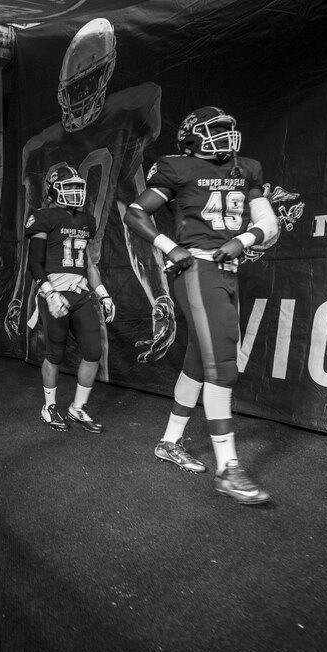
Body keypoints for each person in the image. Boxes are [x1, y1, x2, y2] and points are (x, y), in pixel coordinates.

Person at [123, 105, 279, 504]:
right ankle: (229, 468)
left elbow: (269, 225)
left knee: (198, 362)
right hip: (196, 270)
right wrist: (170, 247)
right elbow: (137, 213)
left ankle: (170, 442)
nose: (226, 135)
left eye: (229, 127)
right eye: (216, 129)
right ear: (191, 137)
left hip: (227, 271)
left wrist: (241, 241)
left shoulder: (247, 169)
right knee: (222, 365)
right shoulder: (176, 168)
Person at [2, 17, 174, 373]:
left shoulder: (124, 120)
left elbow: (135, 220)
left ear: (106, 74)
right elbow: (30, 240)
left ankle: (74, 408)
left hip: (85, 278)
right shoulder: (39, 150)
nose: (80, 97)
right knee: (49, 358)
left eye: (87, 85)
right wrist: (20, 298)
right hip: (50, 285)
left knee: (94, 358)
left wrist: (160, 297)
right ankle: (50, 407)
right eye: (74, 88)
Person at [26, 165, 116, 432]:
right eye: (69, 187)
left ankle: (77, 408)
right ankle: (49, 406)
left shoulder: (86, 221)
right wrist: (49, 292)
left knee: (93, 352)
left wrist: (102, 293)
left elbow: (87, 262)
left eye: (78, 187)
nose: (76, 192)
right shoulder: (42, 216)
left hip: (80, 294)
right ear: (53, 190)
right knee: (55, 354)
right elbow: (35, 262)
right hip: (54, 294)